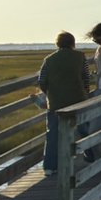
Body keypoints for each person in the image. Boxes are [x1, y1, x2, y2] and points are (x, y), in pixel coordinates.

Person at [36, 31, 90, 174]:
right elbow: (86, 78)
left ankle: (50, 167)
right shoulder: (80, 57)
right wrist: (85, 93)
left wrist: (50, 93)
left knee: (53, 133)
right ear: (72, 42)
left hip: (55, 103)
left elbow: (41, 81)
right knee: (85, 129)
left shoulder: (49, 59)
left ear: (57, 43)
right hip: (78, 100)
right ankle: (91, 156)